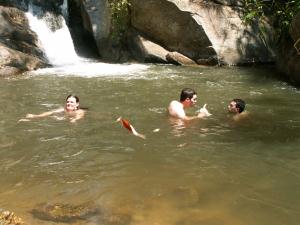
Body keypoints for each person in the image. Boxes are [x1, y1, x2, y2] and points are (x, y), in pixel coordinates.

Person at [19, 95, 86, 123]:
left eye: (72, 102)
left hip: (72, 118)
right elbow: (50, 112)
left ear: (77, 104)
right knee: (54, 117)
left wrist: (74, 119)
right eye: (68, 102)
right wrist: (36, 116)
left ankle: (30, 121)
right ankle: (29, 120)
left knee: (58, 118)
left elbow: (79, 116)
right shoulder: (64, 109)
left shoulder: (80, 111)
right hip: (67, 117)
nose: (69, 103)